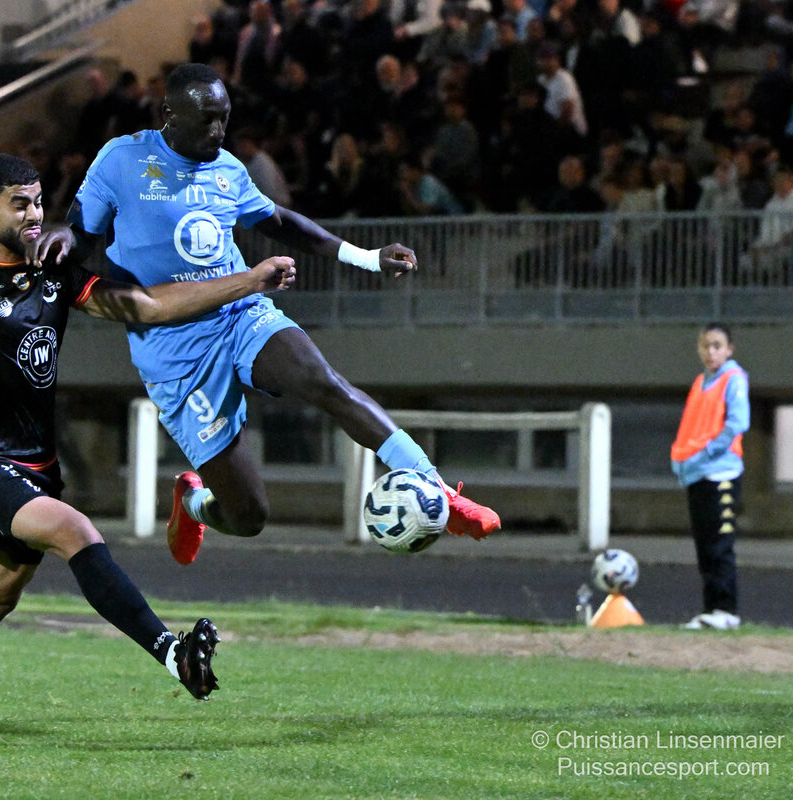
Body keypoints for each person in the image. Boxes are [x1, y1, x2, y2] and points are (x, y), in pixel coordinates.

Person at [0, 153, 298, 723]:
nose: (34, 215)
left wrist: (249, 280)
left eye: (38, 202)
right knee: (76, 531)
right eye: (19, 205)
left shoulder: (54, 272)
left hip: (37, 467)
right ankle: (174, 656)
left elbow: (147, 306)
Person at [42, 63, 500, 568]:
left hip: (240, 313)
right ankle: (192, 502)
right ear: (169, 113)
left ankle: (440, 491)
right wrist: (61, 237)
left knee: (323, 381)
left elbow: (280, 221)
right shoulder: (122, 159)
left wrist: (367, 257)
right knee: (248, 516)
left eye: (224, 117)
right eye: (207, 119)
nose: (219, 130)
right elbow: (81, 232)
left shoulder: (228, 169)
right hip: (173, 349)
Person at [671, 323, 749, 631]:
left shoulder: (733, 378)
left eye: (717, 345)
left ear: (729, 349)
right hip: (697, 474)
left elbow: (737, 423)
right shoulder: (701, 381)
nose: (710, 351)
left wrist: (706, 452)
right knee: (705, 545)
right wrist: (682, 459)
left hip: (721, 474)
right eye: (705, 345)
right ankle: (711, 610)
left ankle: (726, 610)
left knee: (719, 544)